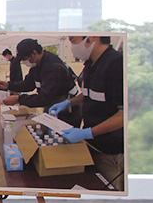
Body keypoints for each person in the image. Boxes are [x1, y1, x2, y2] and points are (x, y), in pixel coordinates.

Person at [48, 36, 125, 190]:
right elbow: (89, 94)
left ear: (92, 38)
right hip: (96, 146)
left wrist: (89, 132)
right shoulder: (91, 64)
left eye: (73, 40)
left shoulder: (116, 65)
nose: (72, 46)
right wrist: (69, 102)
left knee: (118, 191)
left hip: (116, 150)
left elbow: (124, 114)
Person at [0, 38, 81, 127]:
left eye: (25, 59)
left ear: (34, 53)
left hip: (68, 111)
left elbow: (44, 98)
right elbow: (29, 84)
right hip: (54, 106)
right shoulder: (37, 64)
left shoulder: (53, 68)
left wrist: (19, 99)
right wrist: (9, 85)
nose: (26, 62)